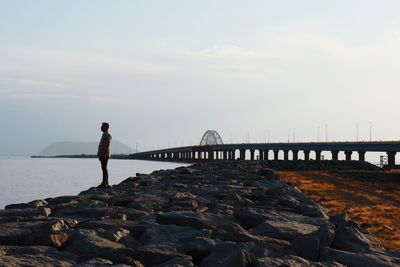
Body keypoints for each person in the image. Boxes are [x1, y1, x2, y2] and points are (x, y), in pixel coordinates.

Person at [98, 122, 112, 188]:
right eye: (101, 126)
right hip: (102, 154)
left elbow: (107, 145)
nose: (101, 127)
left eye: (102, 126)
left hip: (104, 155)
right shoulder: (104, 134)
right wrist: (99, 154)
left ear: (106, 127)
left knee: (104, 168)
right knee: (104, 168)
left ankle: (104, 183)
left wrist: (104, 154)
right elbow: (101, 145)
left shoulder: (107, 135)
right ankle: (105, 182)